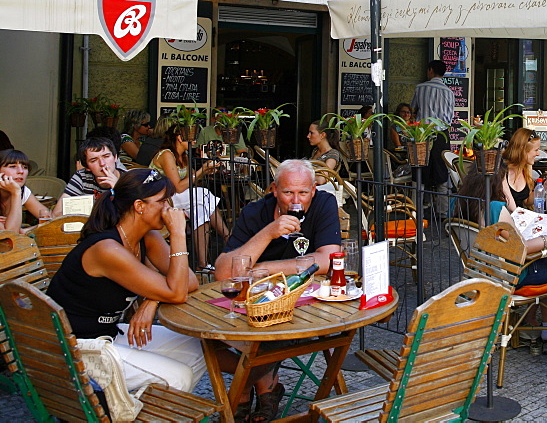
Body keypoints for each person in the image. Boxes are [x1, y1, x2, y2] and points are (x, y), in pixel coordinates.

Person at [47, 169, 207, 392]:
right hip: (76, 346)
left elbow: (189, 282)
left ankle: (145, 408)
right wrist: (179, 233)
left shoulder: (146, 237)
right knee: (179, 376)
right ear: (139, 206)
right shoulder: (107, 249)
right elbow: (178, 293)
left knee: (196, 347)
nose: (170, 209)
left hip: (108, 335)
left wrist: (153, 300)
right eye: (162, 201)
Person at [215, 159, 342, 419]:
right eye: (287, 192)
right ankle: (266, 388)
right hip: (255, 302)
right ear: (274, 190)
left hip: (304, 303)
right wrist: (268, 233)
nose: (295, 200)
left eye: (303, 192)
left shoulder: (323, 204)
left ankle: (246, 390)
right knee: (223, 332)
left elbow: (328, 259)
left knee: (274, 326)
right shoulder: (255, 213)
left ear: (313, 191)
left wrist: (265, 267)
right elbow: (224, 272)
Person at [455, 167, 547, 356]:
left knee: (546, 261)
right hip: (509, 275)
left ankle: (532, 323)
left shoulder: (461, 204)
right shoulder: (495, 208)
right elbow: (520, 249)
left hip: (483, 272)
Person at [150, 124, 229, 270]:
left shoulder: (184, 156)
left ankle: (203, 264)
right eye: (191, 138)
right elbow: (178, 186)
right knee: (202, 194)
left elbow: (190, 181)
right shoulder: (167, 154)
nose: (194, 142)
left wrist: (205, 172)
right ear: (179, 138)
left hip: (175, 197)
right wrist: (201, 171)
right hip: (161, 198)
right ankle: (227, 236)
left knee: (200, 209)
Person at [55, 137, 129, 216]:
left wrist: (118, 189)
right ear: (87, 167)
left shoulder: (130, 178)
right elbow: (57, 213)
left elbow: (133, 216)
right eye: (94, 160)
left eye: (106, 156)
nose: (102, 163)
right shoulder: (82, 177)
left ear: (115, 158)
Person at [411, 60, 455, 189]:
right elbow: (451, 116)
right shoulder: (450, 92)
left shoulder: (420, 88)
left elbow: (413, 109)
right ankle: (442, 208)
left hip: (423, 135)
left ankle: (417, 205)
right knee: (441, 170)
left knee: (420, 169)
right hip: (442, 135)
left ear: (430, 70)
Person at [0, 149, 51, 230]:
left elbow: (49, 219)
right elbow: (11, 233)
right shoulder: (17, 190)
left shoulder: (22, 190)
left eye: (25, 167)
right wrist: (16, 193)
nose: (21, 171)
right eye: (12, 166)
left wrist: (25, 230)